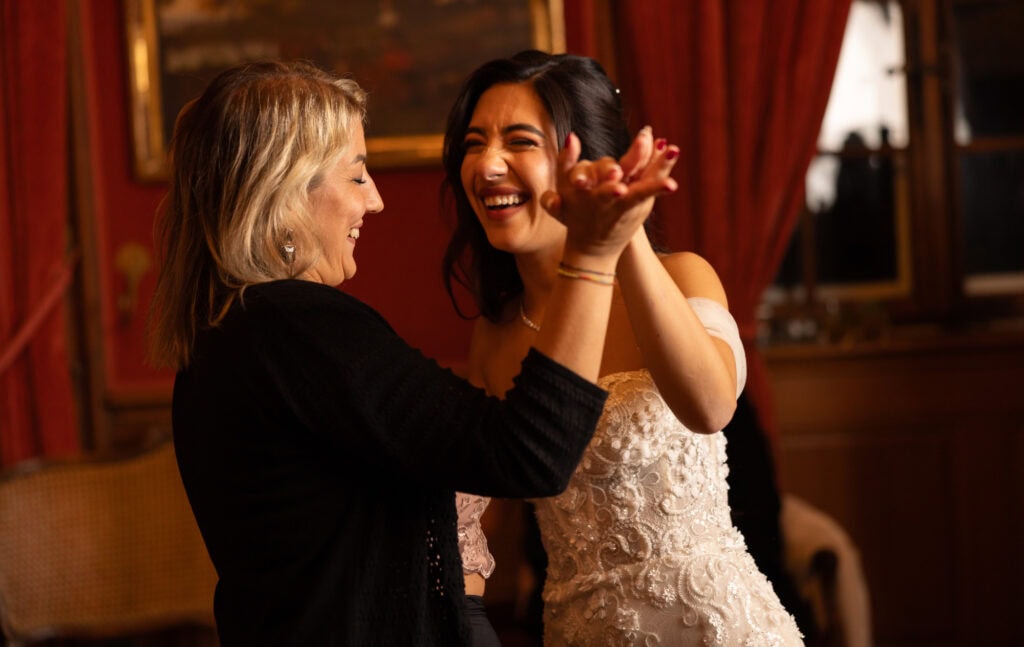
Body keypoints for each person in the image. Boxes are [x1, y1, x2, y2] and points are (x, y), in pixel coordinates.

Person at [147, 60, 674, 646]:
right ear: (287, 189)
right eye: (356, 175)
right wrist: (593, 253)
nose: (374, 201)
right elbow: (534, 453)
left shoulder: (228, 334)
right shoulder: (295, 326)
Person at [441, 50, 805, 646]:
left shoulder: (686, 277)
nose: (487, 164)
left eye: (519, 141)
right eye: (474, 143)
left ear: (588, 160)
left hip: (718, 629)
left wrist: (621, 224)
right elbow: (478, 521)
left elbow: (711, 407)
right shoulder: (495, 337)